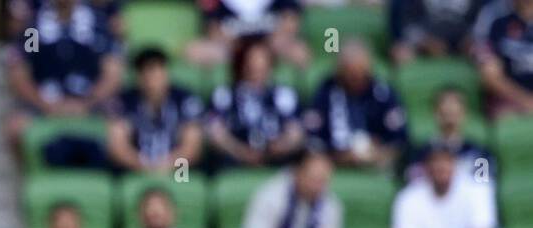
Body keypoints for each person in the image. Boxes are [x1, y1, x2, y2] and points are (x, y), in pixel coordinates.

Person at [4, 0, 125, 158]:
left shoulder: (98, 24)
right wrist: (46, 105)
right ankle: (31, 178)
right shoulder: (33, 28)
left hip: (91, 102)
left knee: (121, 129)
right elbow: (21, 72)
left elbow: (113, 72)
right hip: (44, 102)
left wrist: (86, 104)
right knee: (14, 128)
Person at [303, 40, 409, 170]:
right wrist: (340, 155)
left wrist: (379, 152)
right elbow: (313, 137)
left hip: (376, 163)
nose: (356, 79)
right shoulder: (325, 92)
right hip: (334, 163)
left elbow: (399, 138)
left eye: (361, 73)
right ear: (340, 70)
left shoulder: (383, 93)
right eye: (351, 74)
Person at [206, 36, 305, 168]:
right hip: (234, 157)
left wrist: (281, 146)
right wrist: (240, 151)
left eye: (262, 62)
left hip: (277, 157)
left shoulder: (284, 95)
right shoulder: (224, 95)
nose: (257, 67)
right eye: (251, 62)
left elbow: (297, 131)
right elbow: (215, 132)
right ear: (242, 65)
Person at [105, 46, 205, 173]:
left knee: (184, 176)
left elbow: (192, 147)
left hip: (178, 168)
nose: (152, 79)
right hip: (135, 169)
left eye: (157, 71)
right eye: (146, 72)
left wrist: (169, 165)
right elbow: (117, 146)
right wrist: (143, 165)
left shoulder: (184, 99)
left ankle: (180, 185)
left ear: (166, 73)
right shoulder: (124, 101)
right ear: (138, 76)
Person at [404, 86, 493, 183]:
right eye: (445, 111)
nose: (450, 108)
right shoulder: (420, 154)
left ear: (464, 114)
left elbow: (483, 187)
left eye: (454, 110)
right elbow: (414, 185)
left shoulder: (479, 154)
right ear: (435, 113)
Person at [184, 0, 309, 69]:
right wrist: (240, 49)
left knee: (300, 52)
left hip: (270, 48)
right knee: (194, 51)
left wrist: (262, 49)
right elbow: (213, 30)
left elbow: (291, 22)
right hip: (232, 50)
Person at [474, 0, 533, 116]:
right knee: (508, 117)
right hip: (510, 99)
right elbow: (489, 74)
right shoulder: (496, 17)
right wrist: (527, 101)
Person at [389, 0, 482, 64]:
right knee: (400, 53)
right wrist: (425, 42)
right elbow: (406, 25)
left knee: (485, 56)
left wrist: (469, 40)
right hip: (423, 46)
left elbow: (482, 20)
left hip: (464, 46)